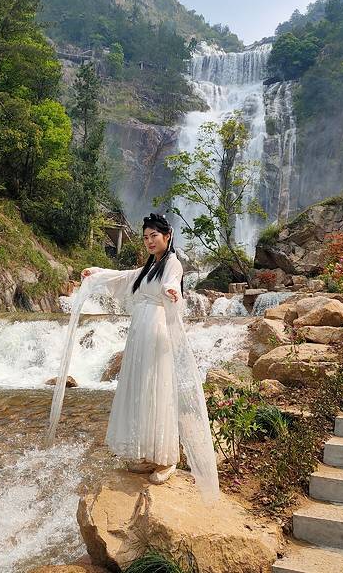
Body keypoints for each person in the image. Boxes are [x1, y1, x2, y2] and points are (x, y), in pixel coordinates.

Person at [46, 213, 219, 501]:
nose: (149, 241)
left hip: (158, 332)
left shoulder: (172, 263)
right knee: (142, 391)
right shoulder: (148, 267)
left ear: (168, 236)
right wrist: (97, 273)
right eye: (146, 237)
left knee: (158, 390)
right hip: (140, 334)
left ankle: (166, 460)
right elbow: (124, 277)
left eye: (154, 236)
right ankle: (149, 456)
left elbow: (173, 284)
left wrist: (172, 292)